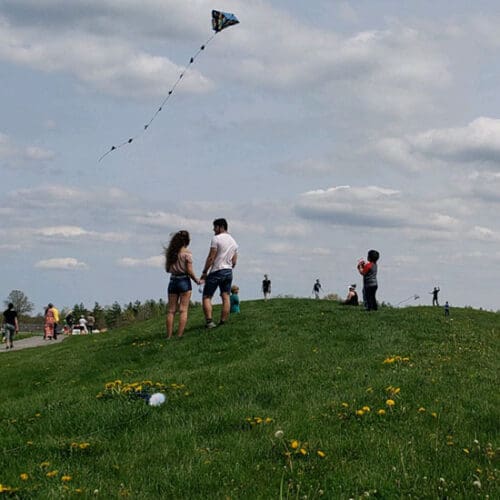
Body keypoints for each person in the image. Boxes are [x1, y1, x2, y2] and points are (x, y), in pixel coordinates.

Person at [200, 218, 238, 328]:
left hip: (217, 270)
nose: (213, 229)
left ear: (221, 227)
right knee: (225, 296)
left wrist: (204, 272)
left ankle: (209, 322)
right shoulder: (233, 241)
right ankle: (223, 320)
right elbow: (234, 260)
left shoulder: (216, 239)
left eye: (215, 227)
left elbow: (211, 257)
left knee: (207, 296)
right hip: (228, 271)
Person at [164, 230, 200, 339]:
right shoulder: (187, 253)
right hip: (184, 281)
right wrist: (196, 280)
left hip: (172, 281)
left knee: (171, 311)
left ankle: (169, 336)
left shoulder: (171, 253)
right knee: (183, 310)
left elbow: (167, 269)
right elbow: (189, 270)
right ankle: (179, 335)